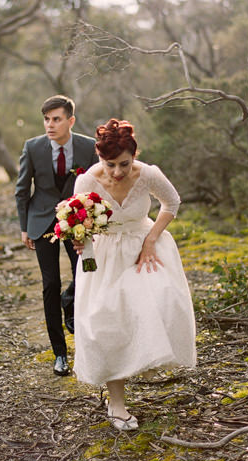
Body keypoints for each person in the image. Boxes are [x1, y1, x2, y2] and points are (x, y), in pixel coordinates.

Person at [72, 118, 196, 429]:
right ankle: (116, 403)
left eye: (123, 164)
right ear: (100, 158)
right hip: (105, 256)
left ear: (134, 154)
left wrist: (151, 239)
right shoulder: (88, 180)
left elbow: (172, 202)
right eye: (109, 164)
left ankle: (147, 358)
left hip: (145, 250)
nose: (116, 172)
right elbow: (78, 217)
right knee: (108, 321)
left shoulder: (148, 174)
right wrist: (79, 238)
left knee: (162, 301)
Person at [15, 95, 98, 376]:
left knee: (85, 278)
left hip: (77, 222)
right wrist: (24, 226)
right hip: (41, 222)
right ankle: (60, 354)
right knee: (50, 284)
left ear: (70, 121)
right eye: (47, 119)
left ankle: (75, 313)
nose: (50, 125)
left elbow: (98, 184)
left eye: (56, 119)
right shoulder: (33, 147)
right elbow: (22, 189)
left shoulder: (88, 147)